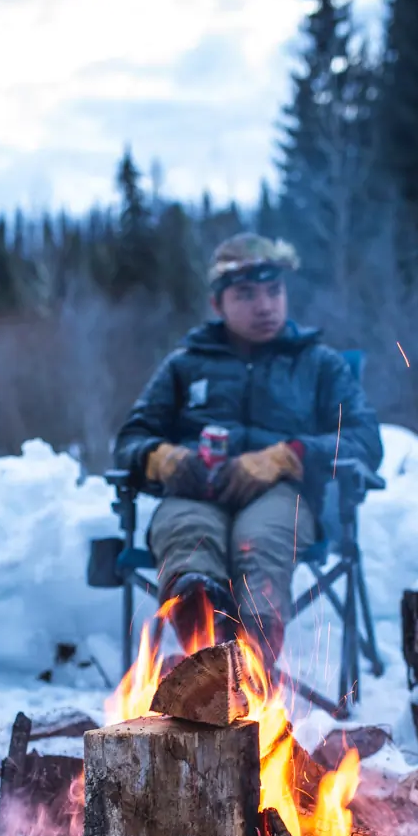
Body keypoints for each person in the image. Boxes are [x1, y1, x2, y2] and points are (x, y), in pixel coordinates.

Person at [113, 233, 383, 667]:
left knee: (259, 545)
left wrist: (289, 454)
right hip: (194, 488)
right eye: (246, 295)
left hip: (280, 492)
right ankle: (210, 659)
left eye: (274, 292)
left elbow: (365, 439)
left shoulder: (318, 364)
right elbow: (129, 440)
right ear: (218, 304)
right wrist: (161, 458)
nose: (265, 306)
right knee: (189, 540)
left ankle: (253, 670)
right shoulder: (184, 364)